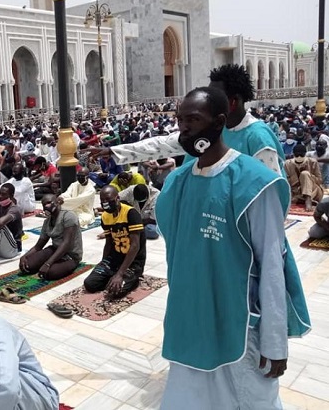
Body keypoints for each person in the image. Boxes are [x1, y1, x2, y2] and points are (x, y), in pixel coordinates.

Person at [155, 87, 310, 409]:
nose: (185, 128)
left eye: (194, 120)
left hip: (237, 326)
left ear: (219, 122)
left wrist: (274, 342)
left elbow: (271, 264)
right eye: (181, 120)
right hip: (190, 321)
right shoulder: (178, 181)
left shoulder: (253, 183)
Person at [95, 64, 285, 175]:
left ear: (233, 102)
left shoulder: (257, 137)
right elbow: (163, 145)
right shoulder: (213, 128)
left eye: (214, 96)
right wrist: (113, 150)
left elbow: (271, 192)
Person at [83, 185, 146, 298]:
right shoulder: (105, 217)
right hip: (115, 258)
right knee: (90, 284)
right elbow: (108, 242)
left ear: (117, 198)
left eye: (108, 199)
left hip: (133, 260)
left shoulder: (131, 213)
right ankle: (115, 273)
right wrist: (103, 263)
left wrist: (120, 273)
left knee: (115, 292)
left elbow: (135, 246)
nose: (106, 203)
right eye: (103, 201)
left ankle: (133, 278)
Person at [20, 194, 83, 280]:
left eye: (49, 203)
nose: (46, 206)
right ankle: (54, 261)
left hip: (70, 255)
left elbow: (66, 243)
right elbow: (39, 246)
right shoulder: (47, 221)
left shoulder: (69, 216)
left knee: (50, 273)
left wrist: (48, 263)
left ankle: (63, 263)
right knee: (27, 266)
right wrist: (24, 257)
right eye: (44, 205)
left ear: (57, 202)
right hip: (55, 249)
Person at [284, 144, 324, 212]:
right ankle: (302, 199)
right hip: (297, 192)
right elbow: (286, 181)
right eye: (297, 155)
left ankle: (308, 199)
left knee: (305, 174)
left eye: (301, 155)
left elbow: (319, 180)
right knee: (292, 197)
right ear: (293, 154)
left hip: (314, 191)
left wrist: (308, 176)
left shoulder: (312, 162)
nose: (299, 157)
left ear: (305, 154)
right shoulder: (287, 164)